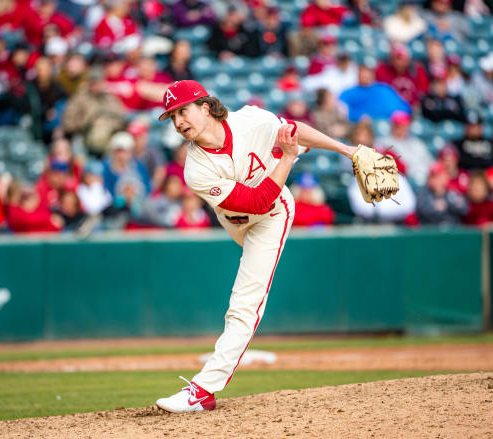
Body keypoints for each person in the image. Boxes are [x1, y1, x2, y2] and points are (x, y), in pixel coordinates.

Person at [154, 79, 369, 413]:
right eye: (172, 116)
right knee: (245, 288)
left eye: (183, 110)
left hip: (273, 216)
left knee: (244, 302)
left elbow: (294, 131)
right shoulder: (195, 169)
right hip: (240, 218)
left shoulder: (252, 121)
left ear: (206, 107)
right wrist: (287, 159)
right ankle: (204, 390)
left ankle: (203, 391)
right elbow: (253, 201)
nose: (179, 121)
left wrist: (347, 150)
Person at [339, 64, 411, 122]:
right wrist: (355, 117)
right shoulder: (349, 93)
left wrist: (397, 115)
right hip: (361, 125)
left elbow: (403, 108)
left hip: (390, 124)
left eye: (367, 74)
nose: (365, 77)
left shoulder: (384, 89)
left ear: (373, 75)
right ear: (358, 76)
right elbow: (341, 110)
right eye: (363, 74)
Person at [378, 111, 433, 186]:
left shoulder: (417, 143)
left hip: (424, 179)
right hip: (401, 181)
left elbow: (429, 162)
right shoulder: (384, 142)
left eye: (405, 125)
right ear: (393, 126)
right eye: (398, 126)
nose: (402, 129)